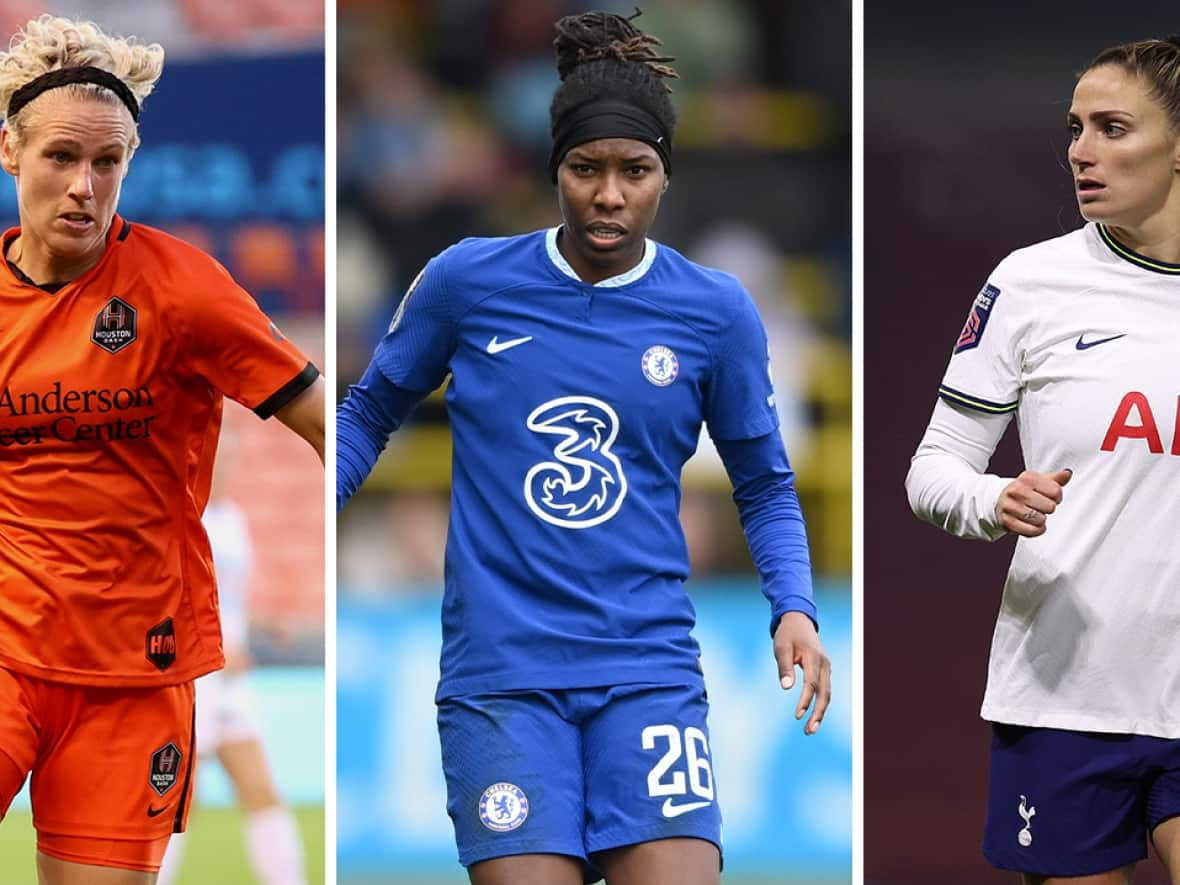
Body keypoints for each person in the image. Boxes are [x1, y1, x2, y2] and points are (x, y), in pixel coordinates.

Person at [337, 10, 830, 885]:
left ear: (665, 177)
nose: (609, 194)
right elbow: (369, 410)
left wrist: (794, 605)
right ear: (554, 170)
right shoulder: (468, 282)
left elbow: (763, 482)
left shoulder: (714, 311)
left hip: (647, 667)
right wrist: (310, 515)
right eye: (586, 168)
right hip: (502, 678)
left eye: (634, 170)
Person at [0, 15, 324, 885]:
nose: (84, 185)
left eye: (107, 163)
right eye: (61, 157)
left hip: (136, 673)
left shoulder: (182, 289)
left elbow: (330, 424)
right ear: (9, 153)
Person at [906, 36, 1180, 885]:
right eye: (1074, 127)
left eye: (1111, 127)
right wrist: (994, 501)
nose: (1080, 151)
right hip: (1065, 695)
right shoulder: (1031, 285)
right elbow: (935, 467)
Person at [156, 447, 308, 885]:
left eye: (228, 459)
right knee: (183, 795)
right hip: (194, 676)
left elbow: (225, 597)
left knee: (259, 788)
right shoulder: (182, 518)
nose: (223, 468)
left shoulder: (233, 519)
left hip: (229, 680)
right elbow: (169, 600)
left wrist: (261, 625)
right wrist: (217, 644)